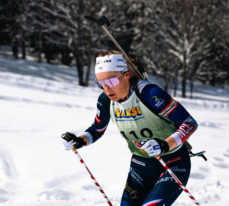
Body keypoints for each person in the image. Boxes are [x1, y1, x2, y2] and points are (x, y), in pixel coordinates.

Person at [62, 51, 198, 206]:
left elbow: (189, 123)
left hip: (173, 161)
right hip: (140, 166)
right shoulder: (106, 101)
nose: (106, 89)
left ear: (126, 75)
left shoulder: (150, 94)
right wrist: (79, 141)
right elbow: (97, 129)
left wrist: (164, 145)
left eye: (111, 81)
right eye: (101, 84)